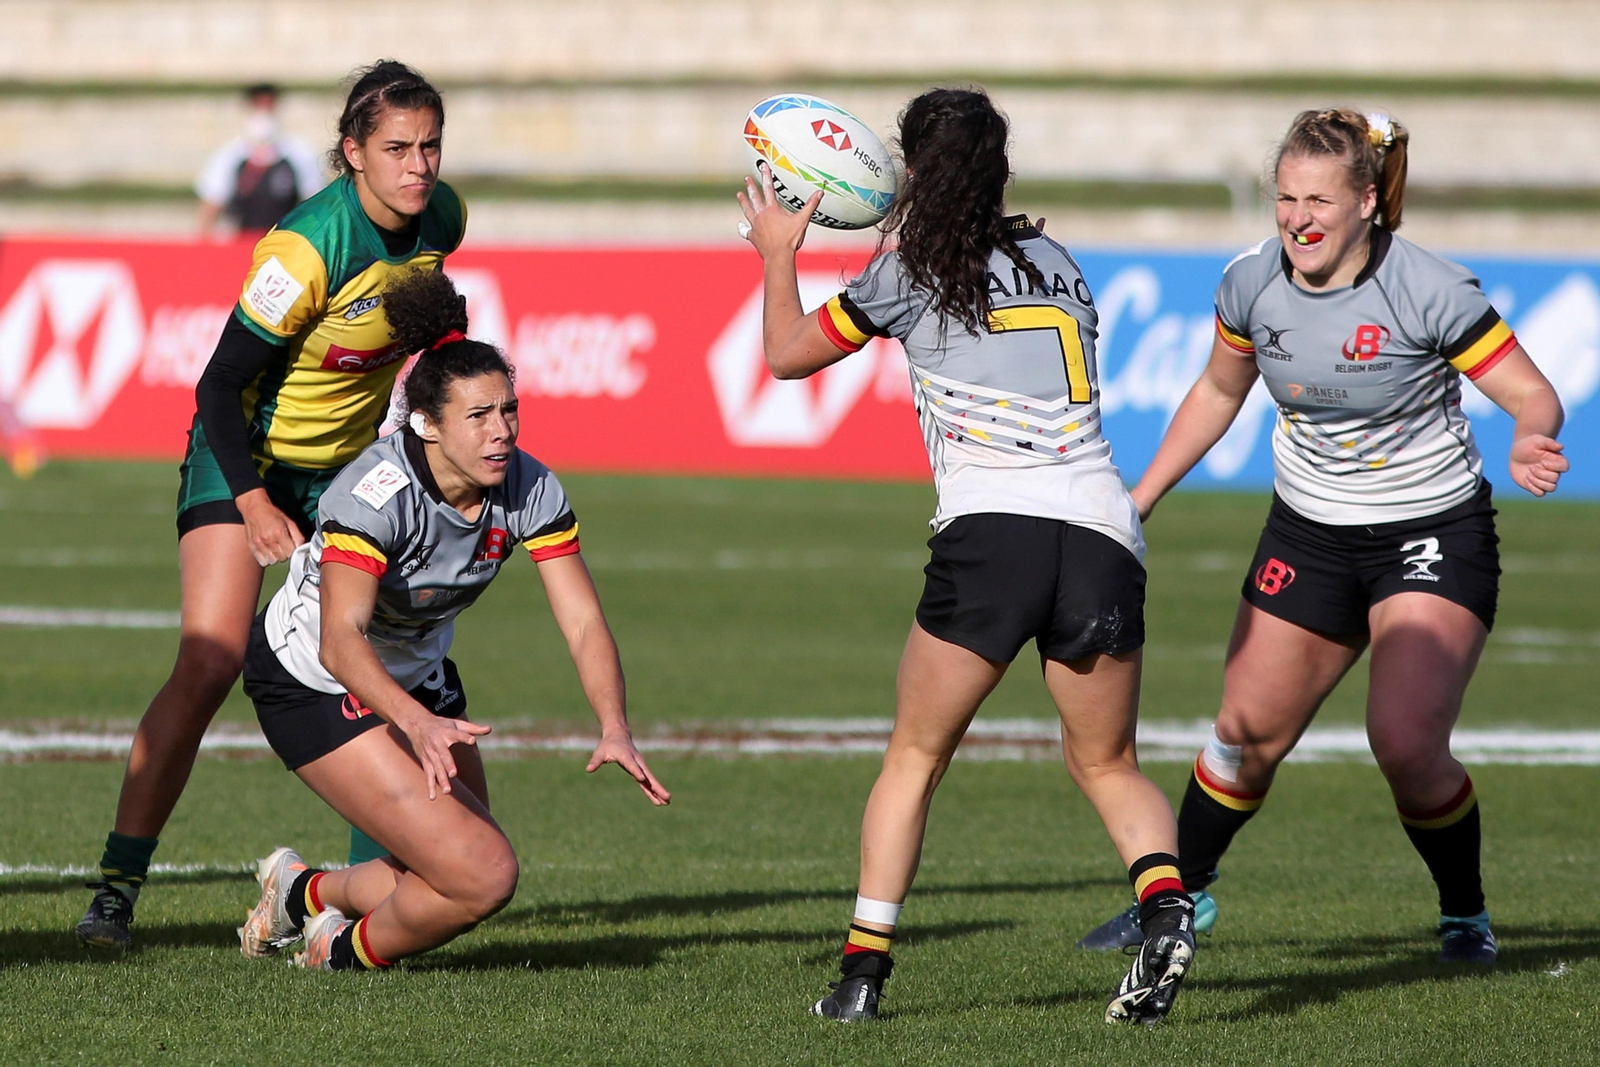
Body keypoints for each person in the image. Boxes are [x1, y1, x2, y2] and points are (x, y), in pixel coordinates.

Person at [738, 88, 1196, 1025]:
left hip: (995, 532)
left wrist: (780, 254)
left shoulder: (913, 269)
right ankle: (1165, 907)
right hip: (1105, 531)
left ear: (915, 171)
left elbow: (786, 354)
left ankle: (860, 978)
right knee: (1109, 762)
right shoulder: (1063, 263)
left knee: (914, 755)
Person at [1077, 109, 1568, 963]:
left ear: (1369, 202)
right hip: (1309, 531)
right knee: (1243, 733)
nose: (1298, 218)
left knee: (1408, 745)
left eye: (1319, 201)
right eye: (1284, 198)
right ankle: (1176, 904)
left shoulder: (1429, 287)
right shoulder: (1251, 283)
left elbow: (1533, 392)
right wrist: (1140, 496)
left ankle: (1464, 914)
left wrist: (1530, 432)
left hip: (1432, 531)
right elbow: (1216, 393)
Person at [77, 60, 467, 948]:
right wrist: (252, 502)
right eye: (397, 148)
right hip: (244, 459)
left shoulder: (443, 219)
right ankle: (115, 886)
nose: (419, 166)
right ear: (352, 153)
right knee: (210, 661)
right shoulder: (303, 248)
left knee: (381, 657)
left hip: (351, 474)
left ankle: (372, 889)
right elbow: (217, 387)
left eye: (430, 145)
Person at [235, 269, 669, 971]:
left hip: (417, 676)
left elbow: (583, 619)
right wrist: (415, 721)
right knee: (483, 872)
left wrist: (614, 724)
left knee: (443, 869)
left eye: (509, 410)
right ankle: (339, 953)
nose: (502, 432)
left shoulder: (529, 484)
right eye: (478, 416)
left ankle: (299, 893)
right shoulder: (375, 494)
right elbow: (340, 640)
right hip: (310, 677)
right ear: (426, 424)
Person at [196, 83, 326, 239]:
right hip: (241, 243)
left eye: (268, 105)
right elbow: (211, 205)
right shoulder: (229, 156)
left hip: (286, 243)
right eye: (258, 105)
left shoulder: (299, 154)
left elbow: (316, 203)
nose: (263, 112)